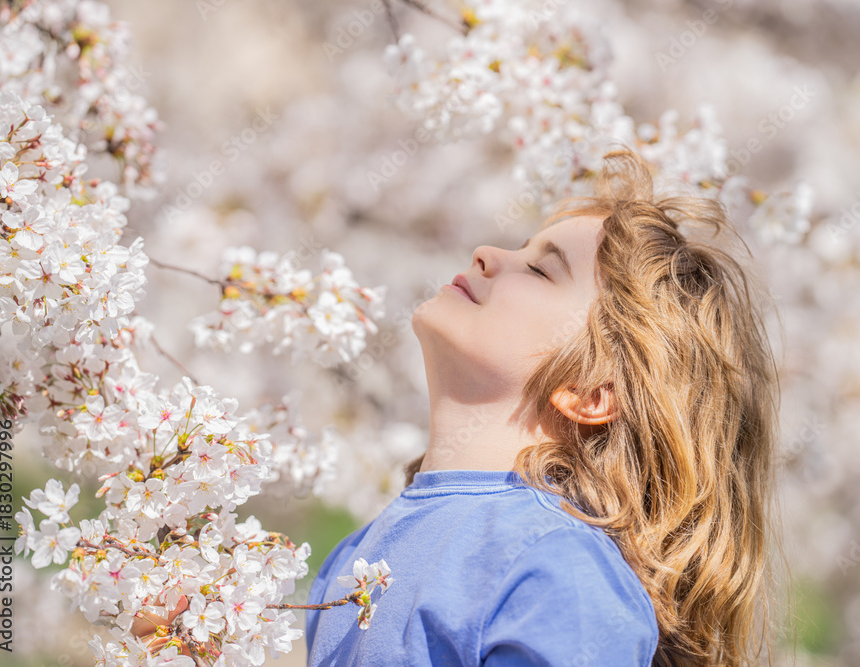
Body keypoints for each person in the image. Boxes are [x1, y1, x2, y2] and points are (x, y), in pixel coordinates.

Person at [304, 145, 784, 666]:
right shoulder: (354, 556)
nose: (486, 253)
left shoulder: (556, 566)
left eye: (539, 270)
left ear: (590, 391)